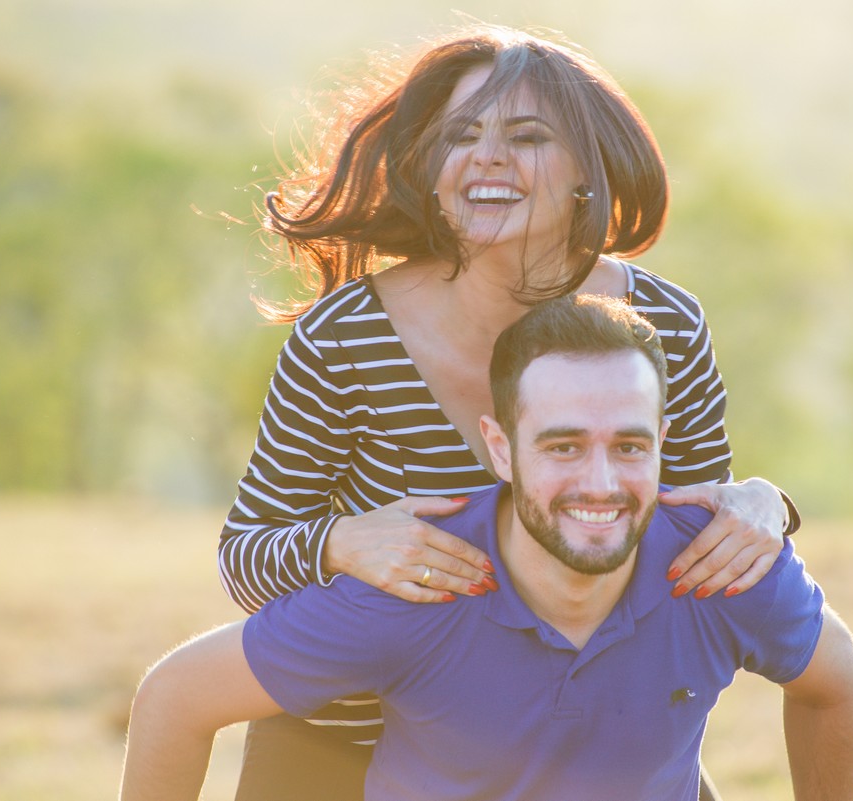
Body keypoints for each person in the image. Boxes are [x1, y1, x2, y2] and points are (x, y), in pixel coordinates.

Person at [219, 23, 803, 800]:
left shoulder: (666, 325)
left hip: (582, 745)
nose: (487, 156)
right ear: (429, 170)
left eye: (526, 136)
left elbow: (686, 543)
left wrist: (761, 505)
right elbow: (245, 556)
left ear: (587, 171)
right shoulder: (343, 339)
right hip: (339, 750)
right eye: (461, 136)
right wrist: (339, 542)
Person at [122, 295, 853, 801]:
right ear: (501, 449)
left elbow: (831, 681)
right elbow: (175, 699)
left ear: (662, 442)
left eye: (629, 446)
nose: (601, 483)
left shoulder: (719, 564)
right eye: (564, 446)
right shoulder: (419, 581)